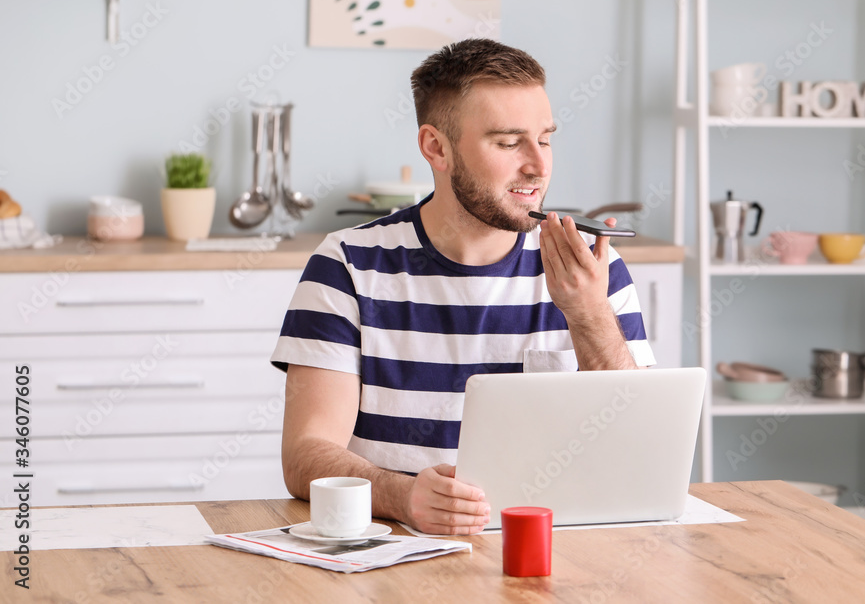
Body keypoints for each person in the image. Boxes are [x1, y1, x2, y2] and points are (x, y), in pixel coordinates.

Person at [271, 38, 654, 535]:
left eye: (545, 138)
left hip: (553, 544)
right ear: (437, 147)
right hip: (399, 551)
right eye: (508, 142)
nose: (538, 166)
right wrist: (402, 496)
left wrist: (588, 313)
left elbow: (637, 447)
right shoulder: (347, 264)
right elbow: (304, 456)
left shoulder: (593, 266)